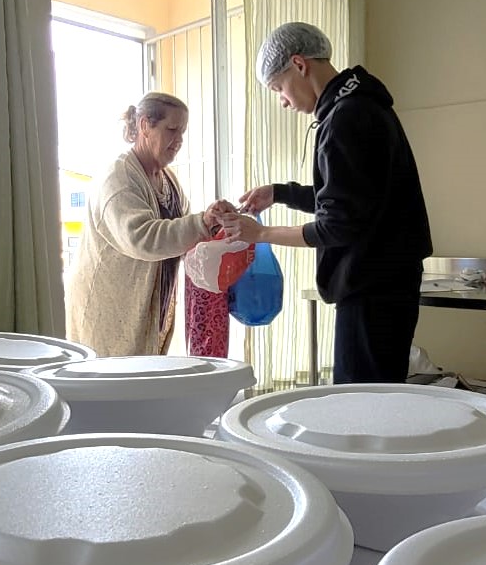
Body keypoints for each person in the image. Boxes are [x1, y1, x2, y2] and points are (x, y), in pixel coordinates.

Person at [218, 22, 432, 384]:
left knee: (363, 402)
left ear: (299, 65)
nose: (283, 101)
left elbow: (338, 224)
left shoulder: (348, 117)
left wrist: (262, 232)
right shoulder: (358, 106)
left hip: (372, 286)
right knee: (375, 396)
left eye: (278, 88)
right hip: (383, 280)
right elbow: (347, 197)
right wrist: (279, 192)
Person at [65, 92, 232, 356]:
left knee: (142, 384)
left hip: (150, 309)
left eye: (183, 132)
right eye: (172, 130)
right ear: (145, 125)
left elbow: (183, 233)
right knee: (115, 390)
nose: (179, 141)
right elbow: (142, 238)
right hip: (108, 311)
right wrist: (202, 223)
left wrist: (215, 226)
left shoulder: (168, 181)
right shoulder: (118, 178)